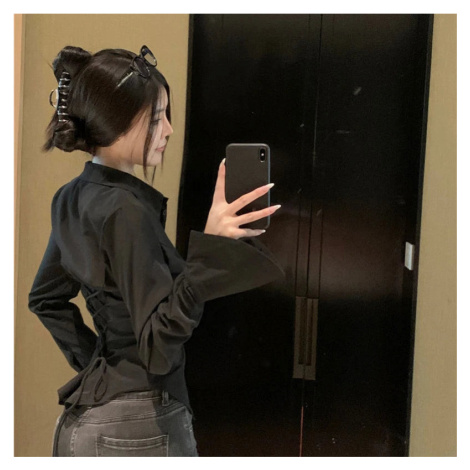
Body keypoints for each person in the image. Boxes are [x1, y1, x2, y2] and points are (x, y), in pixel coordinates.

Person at [28, 44, 285, 457]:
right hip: (138, 425)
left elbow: (44, 299)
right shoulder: (124, 209)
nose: (168, 129)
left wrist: (101, 368)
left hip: (87, 426)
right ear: (116, 121)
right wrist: (213, 244)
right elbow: (160, 345)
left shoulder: (71, 197)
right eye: (156, 117)